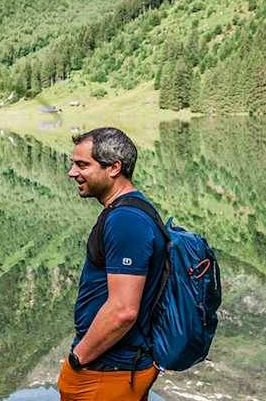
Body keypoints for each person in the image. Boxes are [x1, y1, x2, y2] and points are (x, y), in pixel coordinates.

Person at [59, 127, 165, 400]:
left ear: (114, 167)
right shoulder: (128, 210)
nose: (72, 172)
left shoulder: (126, 220)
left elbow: (123, 310)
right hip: (113, 365)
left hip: (108, 370)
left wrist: (78, 359)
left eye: (83, 165)